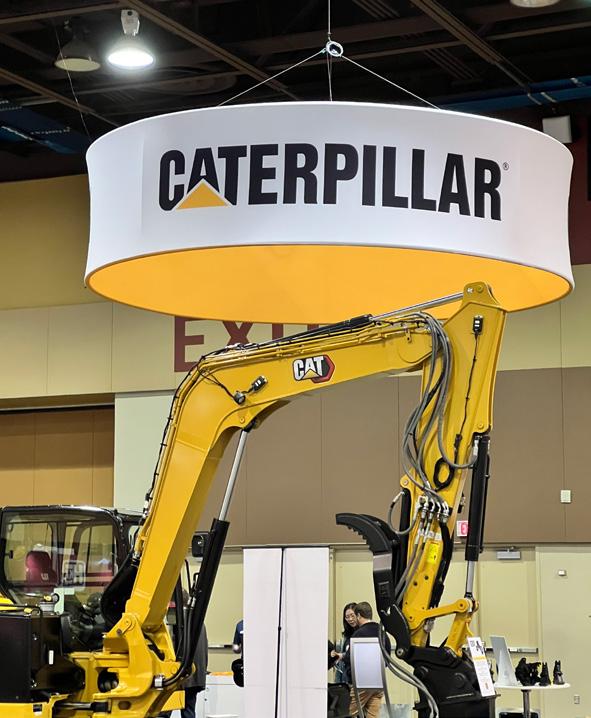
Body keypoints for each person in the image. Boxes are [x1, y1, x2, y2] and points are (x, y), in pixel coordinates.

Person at [346, 602, 391, 718]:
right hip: (379, 683)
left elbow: (349, 658)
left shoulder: (358, 634)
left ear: (359, 615)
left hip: (361, 683)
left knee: (349, 713)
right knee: (372, 715)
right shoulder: (382, 633)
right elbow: (387, 658)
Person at [332, 602, 357, 684]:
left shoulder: (362, 633)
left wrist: (343, 655)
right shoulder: (346, 636)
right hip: (345, 677)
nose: (350, 619)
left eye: (352, 615)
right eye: (347, 617)